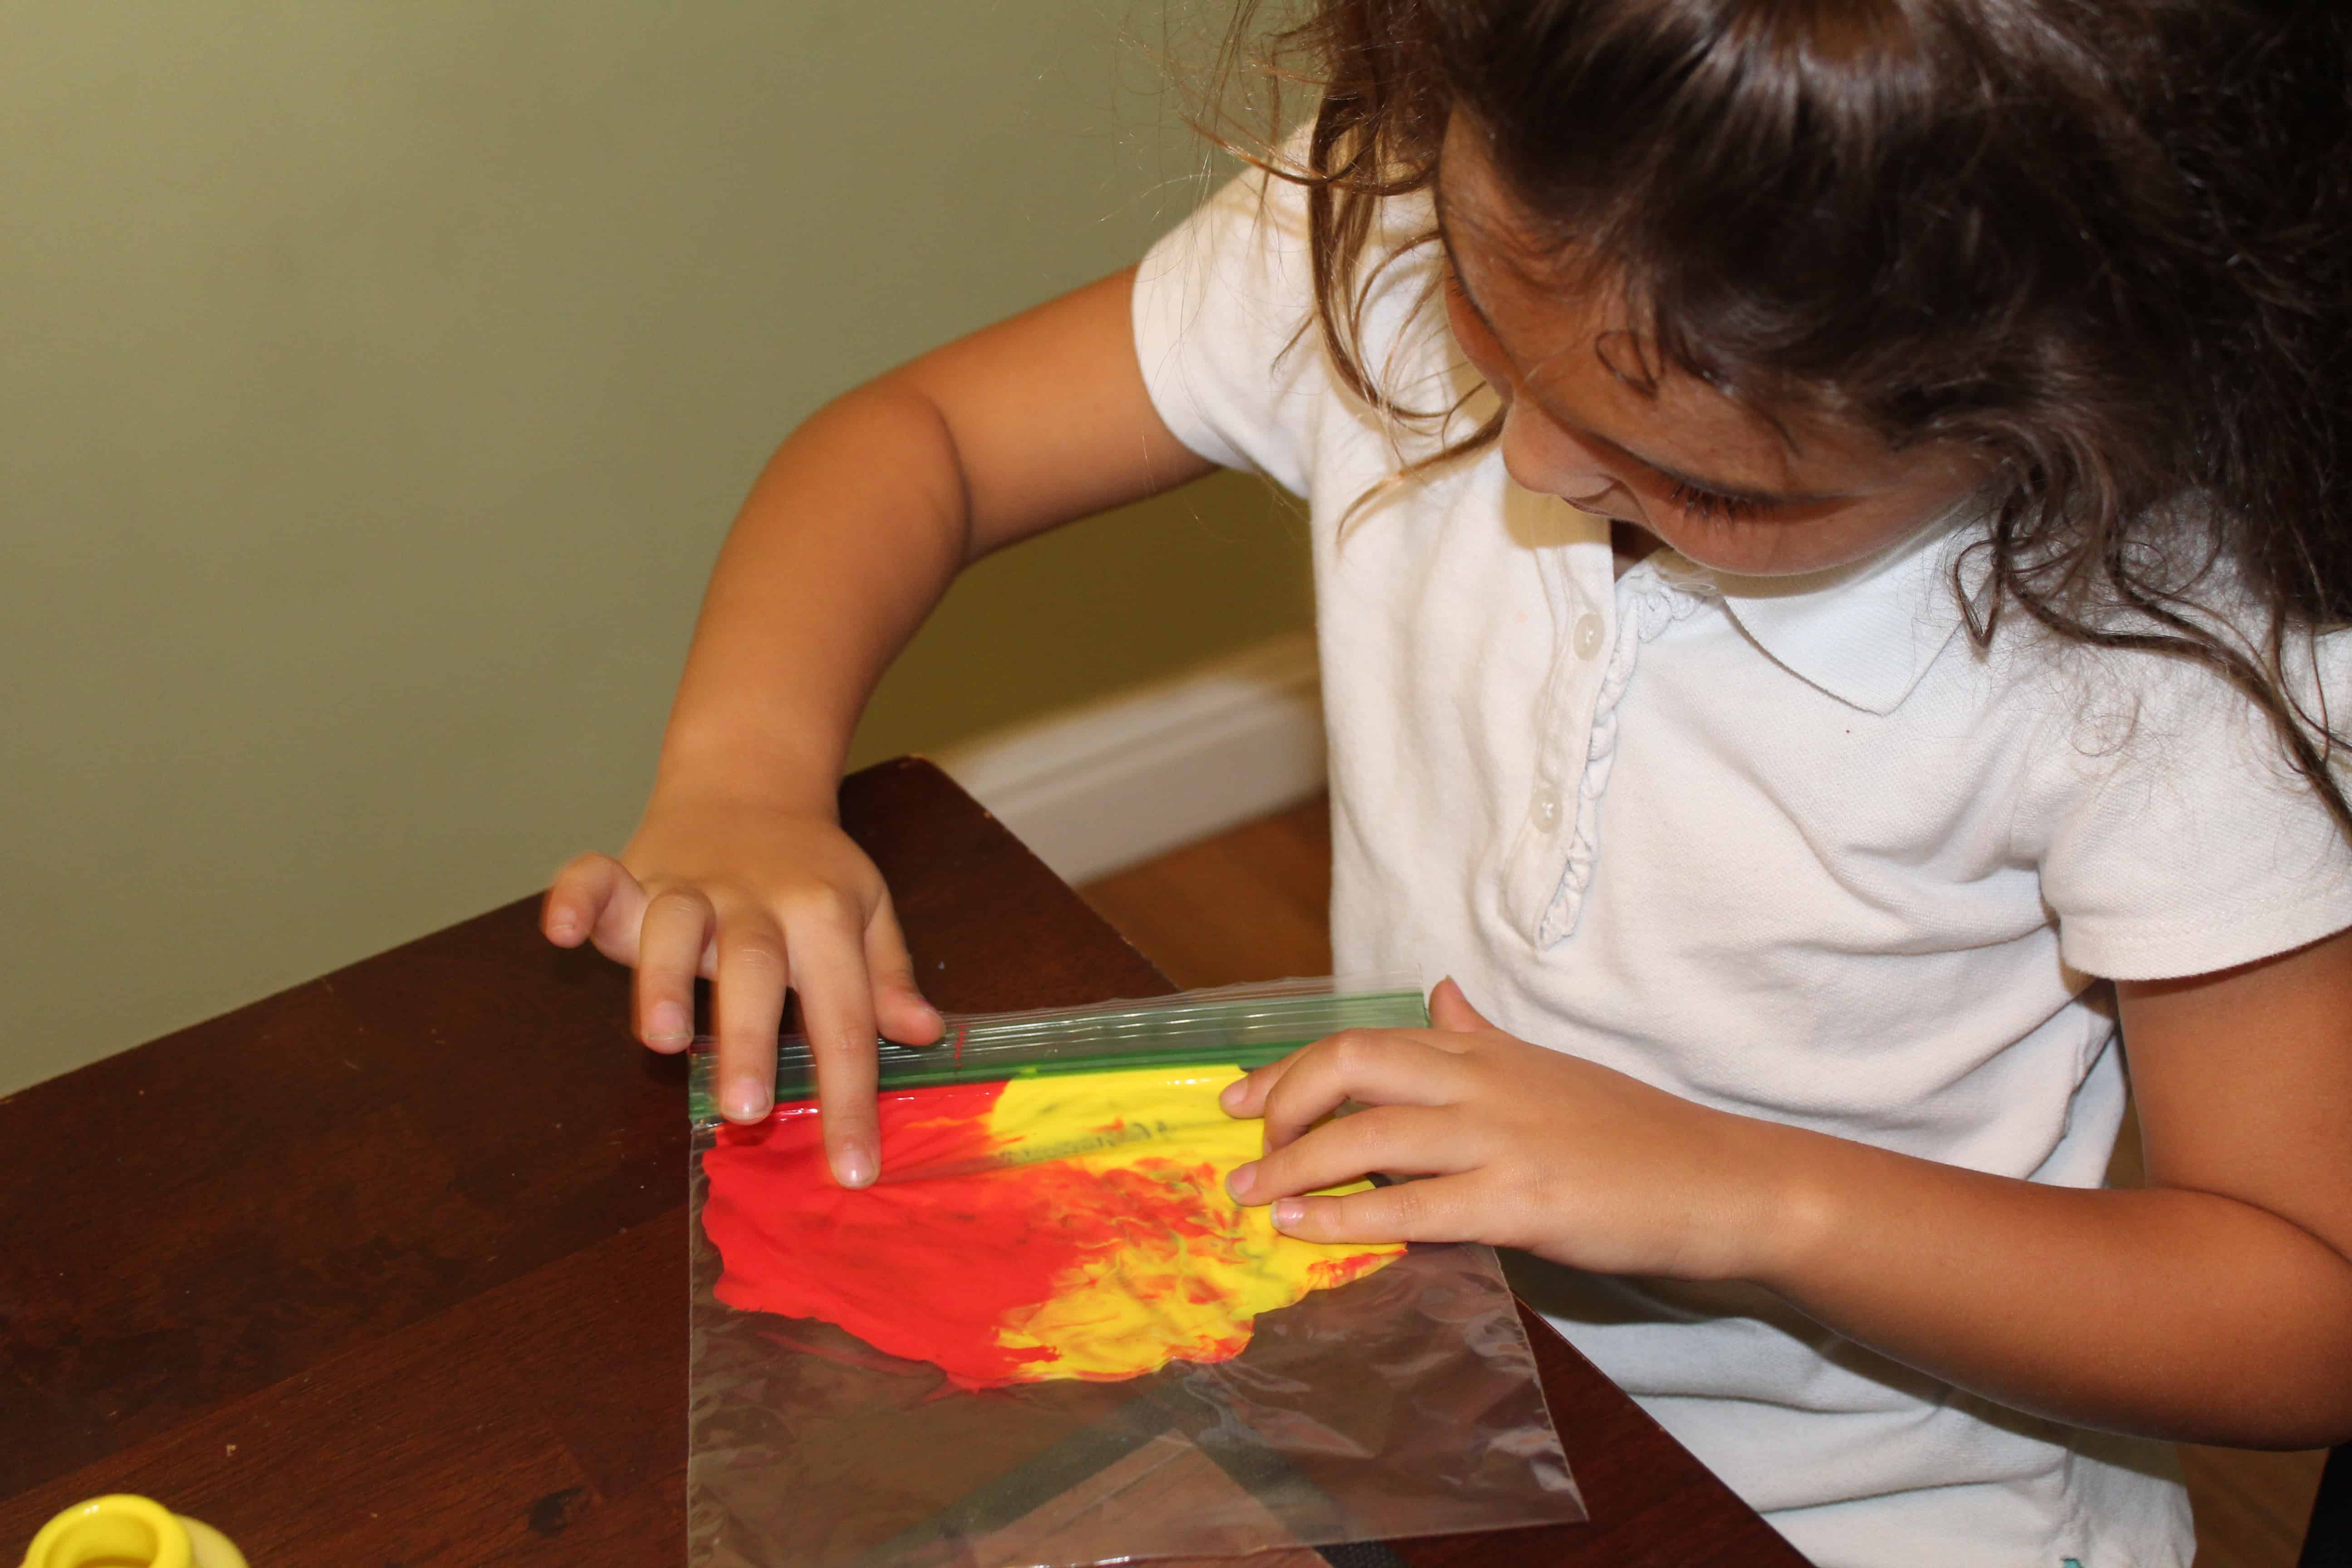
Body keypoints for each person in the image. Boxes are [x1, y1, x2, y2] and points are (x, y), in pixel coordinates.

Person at [542, 0, 2352, 1560]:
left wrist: (1739, 1191)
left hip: (1873, 1505)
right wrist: (746, 774)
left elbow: (2303, 1305)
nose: (1540, 461)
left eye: (1709, 481)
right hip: (1397, 1367)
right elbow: (917, 439)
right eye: (1493, 338)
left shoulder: (2182, 653)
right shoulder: (1430, 223)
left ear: (2057, 407)